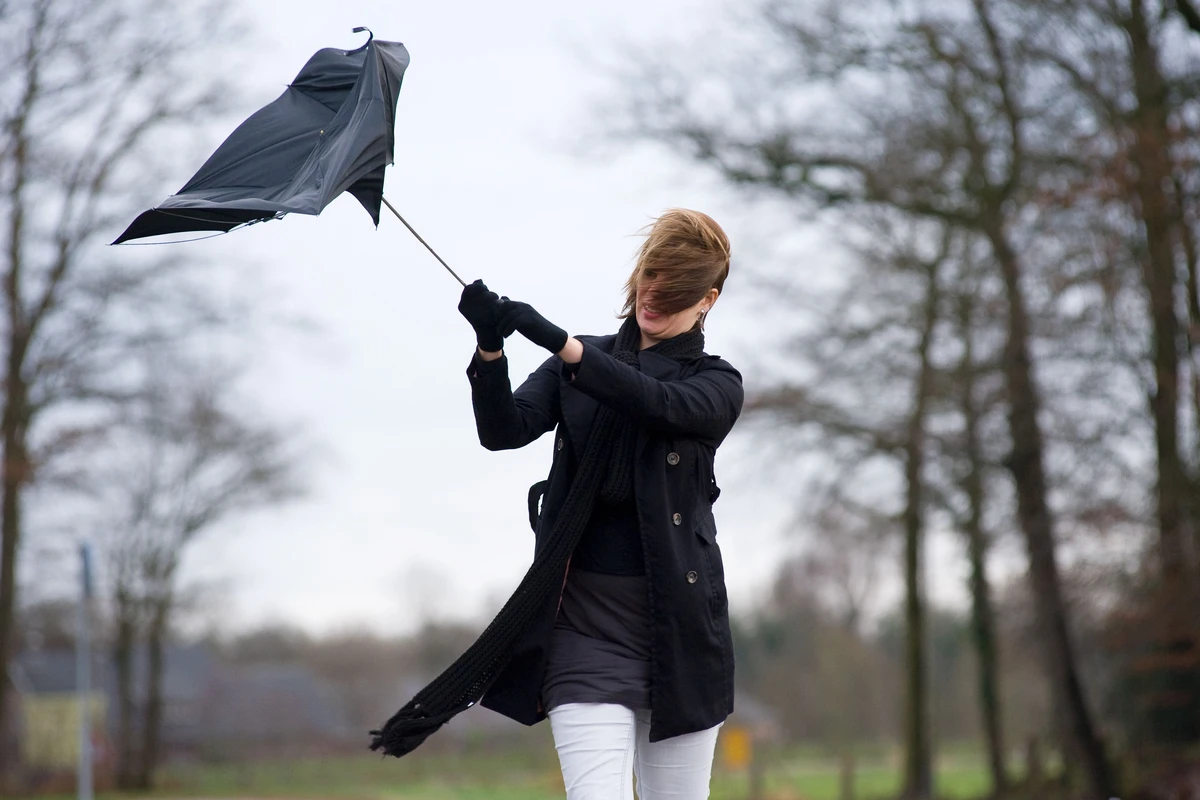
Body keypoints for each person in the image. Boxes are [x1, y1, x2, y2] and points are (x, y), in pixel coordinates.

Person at [456, 208, 743, 800]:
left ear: (708, 300)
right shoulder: (578, 362)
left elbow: (658, 404)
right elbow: (503, 430)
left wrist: (565, 347)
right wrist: (490, 351)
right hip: (583, 632)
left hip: (679, 635)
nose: (655, 297)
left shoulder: (716, 384)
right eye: (650, 278)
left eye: (677, 291)